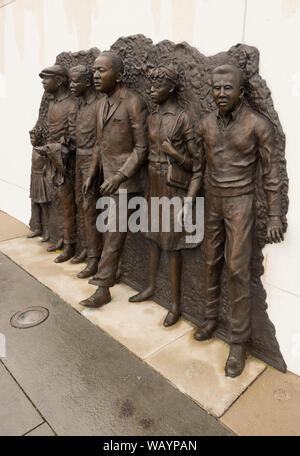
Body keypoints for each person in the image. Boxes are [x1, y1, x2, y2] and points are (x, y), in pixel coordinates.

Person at [194, 64, 284, 377]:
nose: (220, 94)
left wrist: (274, 214)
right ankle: (209, 318)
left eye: (227, 88)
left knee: (236, 269)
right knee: (210, 261)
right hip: (213, 200)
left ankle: (238, 342)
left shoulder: (257, 125)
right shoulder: (205, 123)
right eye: (216, 88)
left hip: (241, 203)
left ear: (240, 91)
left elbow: (272, 175)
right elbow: (199, 166)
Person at [129, 64, 201, 327]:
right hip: (153, 182)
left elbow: (196, 164)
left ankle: (176, 304)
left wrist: (174, 153)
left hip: (173, 186)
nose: (151, 90)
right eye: (149, 86)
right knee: (152, 236)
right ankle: (149, 287)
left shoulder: (182, 118)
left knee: (171, 244)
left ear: (170, 88)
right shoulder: (153, 117)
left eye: (156, 86)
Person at [79, 52, 148, 308]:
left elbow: (141, 148)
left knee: (113, 234)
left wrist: (120, 176)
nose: (95, 75)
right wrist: (91, 175)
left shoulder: (133, 103)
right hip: (106, 179)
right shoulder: (100, 105)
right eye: (94, 70)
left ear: (118, 75)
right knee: (109, 229)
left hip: (127, 183)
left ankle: (103, 288)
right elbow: (99, 145)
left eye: (101, 71)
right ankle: (112, 272)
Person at [36, 65, 77, 263]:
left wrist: (52, 148)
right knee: (59, 204)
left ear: (59, 81)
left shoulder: (71, 104)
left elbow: (74, 139)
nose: (43, 82)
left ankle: (70, 245)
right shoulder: (52, 104)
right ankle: (61, 237)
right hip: (52, 160)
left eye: (47, 78)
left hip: (65, 164)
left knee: (68, 206)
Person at [69, 64, 102, 278]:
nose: (72, 85)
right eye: (70, 81)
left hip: (93, 161)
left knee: (91, 210)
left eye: (75, 81)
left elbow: (100, 141)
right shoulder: (80, 106)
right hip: (79, 159)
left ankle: (94, 259)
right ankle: (85, 249)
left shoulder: (98, 106)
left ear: (87, 83)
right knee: (81, 206)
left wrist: (91, 171)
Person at [27, 126, 50, 242]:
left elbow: (48, 164)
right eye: (30, 138)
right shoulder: (34, 149)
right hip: (34, 177)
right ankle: (37, 228)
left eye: (33, 138)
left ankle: (47, 230)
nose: (31, 140)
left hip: (41, 179)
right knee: (34, 204)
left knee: (43, 205)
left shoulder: (43, 150)